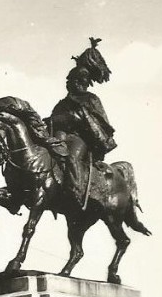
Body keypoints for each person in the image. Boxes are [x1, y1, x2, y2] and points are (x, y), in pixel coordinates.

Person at [48, 38, 117, 202]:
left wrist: (78, 118)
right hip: (62, 134)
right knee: (49, 152)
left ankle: (75, 192)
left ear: (86, 82)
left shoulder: (91, 100)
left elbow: (99, 126)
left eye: (79, 79)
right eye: (71, 80)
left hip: (82, 139)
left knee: (72, 158)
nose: (72, 82)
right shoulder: (63, 103)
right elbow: (53, 119)